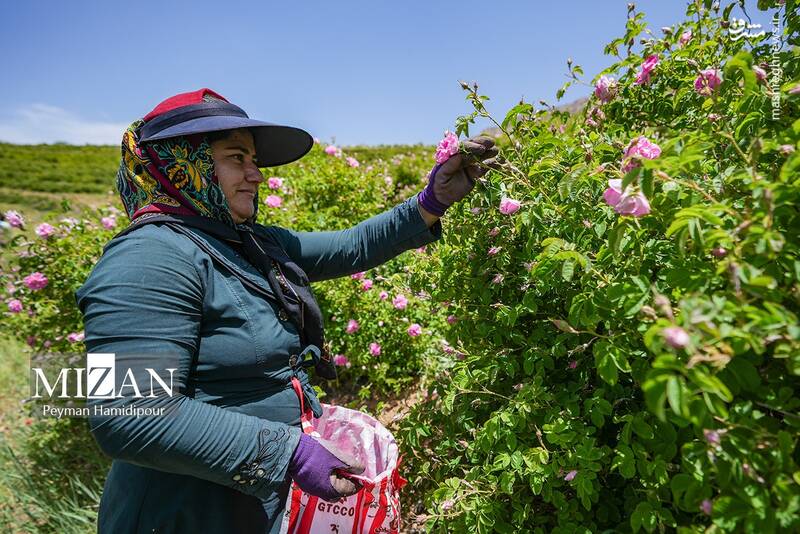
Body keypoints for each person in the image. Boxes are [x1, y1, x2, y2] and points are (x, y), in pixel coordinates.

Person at [75, 88, 498, 533]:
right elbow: (127, 414)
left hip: (251, 503)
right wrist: (286, 452)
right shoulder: (149, 257)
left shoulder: (250, 244)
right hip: (181, 512)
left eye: (253, 160)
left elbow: (352, 246)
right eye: (237, 158)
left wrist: (434, 200)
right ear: (183, 165)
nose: (256, 175)